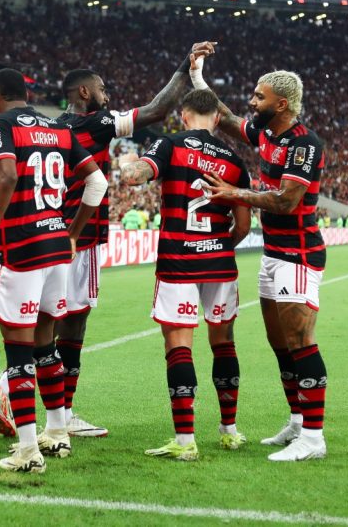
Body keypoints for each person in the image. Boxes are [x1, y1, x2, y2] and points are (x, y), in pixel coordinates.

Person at [0, 41, 217, 441]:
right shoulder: (98, 123)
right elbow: (158, 110)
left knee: (41, 326)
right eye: (103, 90)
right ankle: (47, 406)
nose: (109, 97)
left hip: (41, 237)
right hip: (78, 239)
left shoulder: (51, 127)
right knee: (70, 328)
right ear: (86, 94)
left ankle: (21, 395)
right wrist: (186, 64)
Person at [195, 60, 330, 462]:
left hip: (299, 254)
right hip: (274, 254)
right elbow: (228, 119)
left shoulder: (305, 145)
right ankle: (297, 420)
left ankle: (314, 437)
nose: (252, 103)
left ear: (283, 104)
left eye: (259, 97)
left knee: (301, 342)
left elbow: (288, 201)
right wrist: (199, 77)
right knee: (279, 343)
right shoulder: (268, 134)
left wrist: (235, 194)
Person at [0, 68, 108, 474]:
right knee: (46, 345)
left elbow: (8, 174)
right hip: (58, 248)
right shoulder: (59, 129)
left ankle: (28, 448)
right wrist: (73, 231)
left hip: (24, 247)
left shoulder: (0, 125)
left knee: (18, 350)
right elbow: (97, 183)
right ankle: (58, 433)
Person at [119, 85, 252, 461]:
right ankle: (229, 431)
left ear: (184, 116)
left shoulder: (171, 144)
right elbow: (242, 224)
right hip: (220, 263)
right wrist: (219, 246)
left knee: (179, 346)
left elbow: (138, 174)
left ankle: (185, 440)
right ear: (217, 120)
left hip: (179, 261)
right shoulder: (234, 161)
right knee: (223, 343)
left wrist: (129, 167)